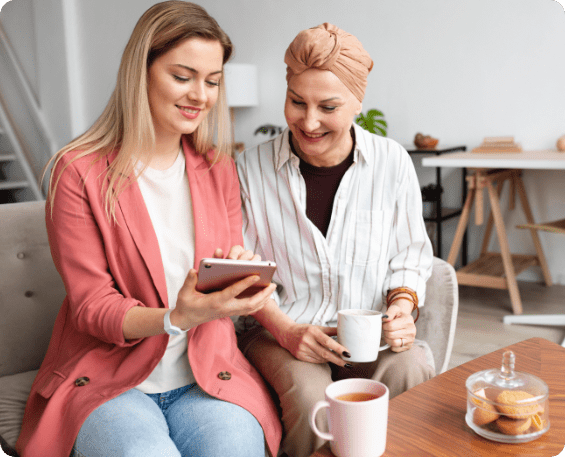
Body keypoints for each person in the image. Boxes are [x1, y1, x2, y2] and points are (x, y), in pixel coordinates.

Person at [15, 2, 282, 457]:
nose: (201, 94)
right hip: (110, 381)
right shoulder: (78, 172)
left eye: (213, 81)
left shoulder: (218, 167)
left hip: (207, 375)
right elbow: (92, 308)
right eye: (183, 76)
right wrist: (177, 317)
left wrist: (240, 277)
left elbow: (228, 264)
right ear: (141, 72)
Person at [236, 23, 435, 457]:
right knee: (315, 403)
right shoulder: (250, 169)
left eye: (328, 106)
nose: (308, 122)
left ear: (358, 103)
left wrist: (401, 310)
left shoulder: (391, 163)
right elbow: (244, 271)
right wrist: (287, 331)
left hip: (369, 336)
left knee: (413, 366)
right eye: (296, 102)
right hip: (281, 333)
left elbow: (410, 255)